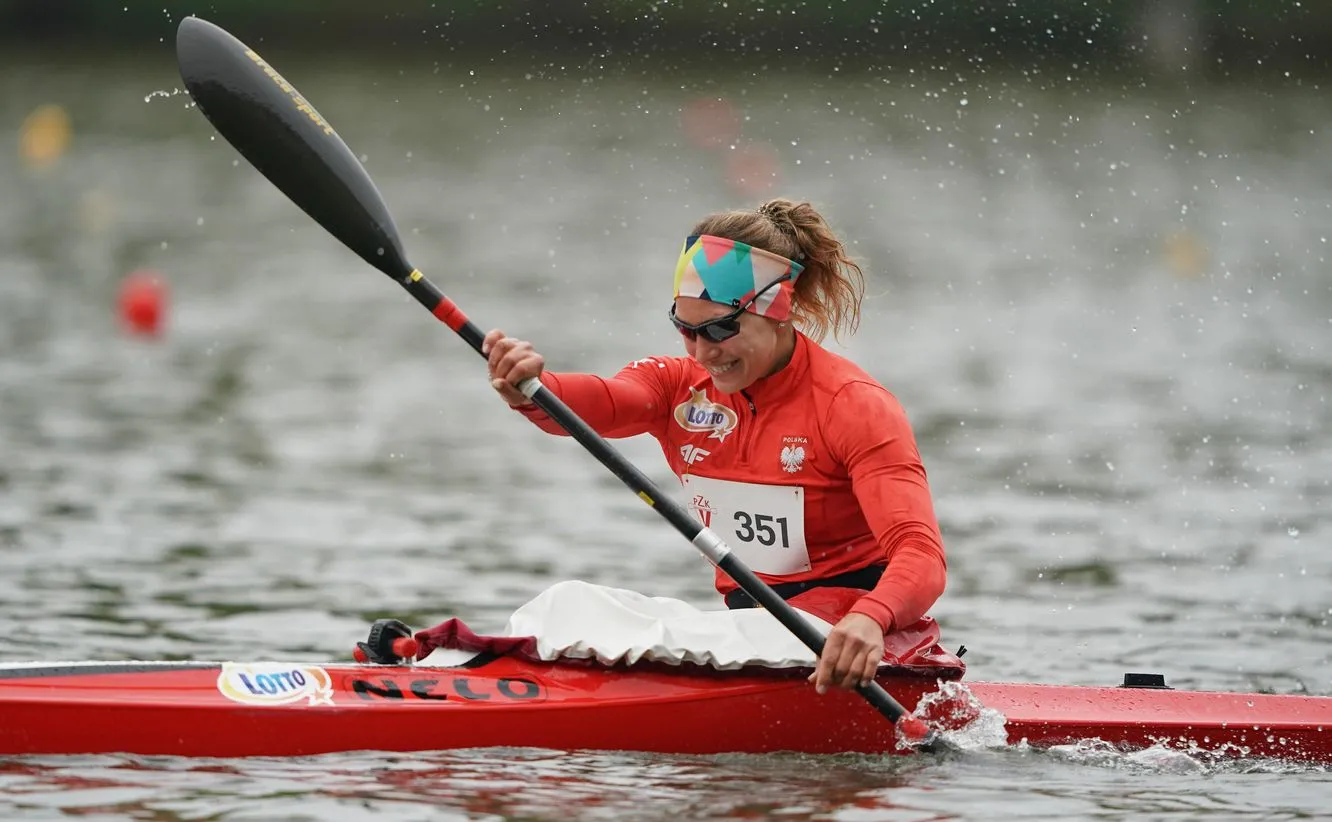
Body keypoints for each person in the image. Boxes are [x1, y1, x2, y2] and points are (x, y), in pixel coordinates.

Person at [482, 198, 954, 694]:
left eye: (720, 330)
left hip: (846, 642)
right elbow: (602, 404)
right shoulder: (674, 387)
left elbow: (921, 554)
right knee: (564, 603)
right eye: (686, 330)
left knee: (715, 634)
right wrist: (532, 388)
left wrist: (871, 618)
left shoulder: (852, 406)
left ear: (779, 311)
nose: (703, 353)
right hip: (744, 636)